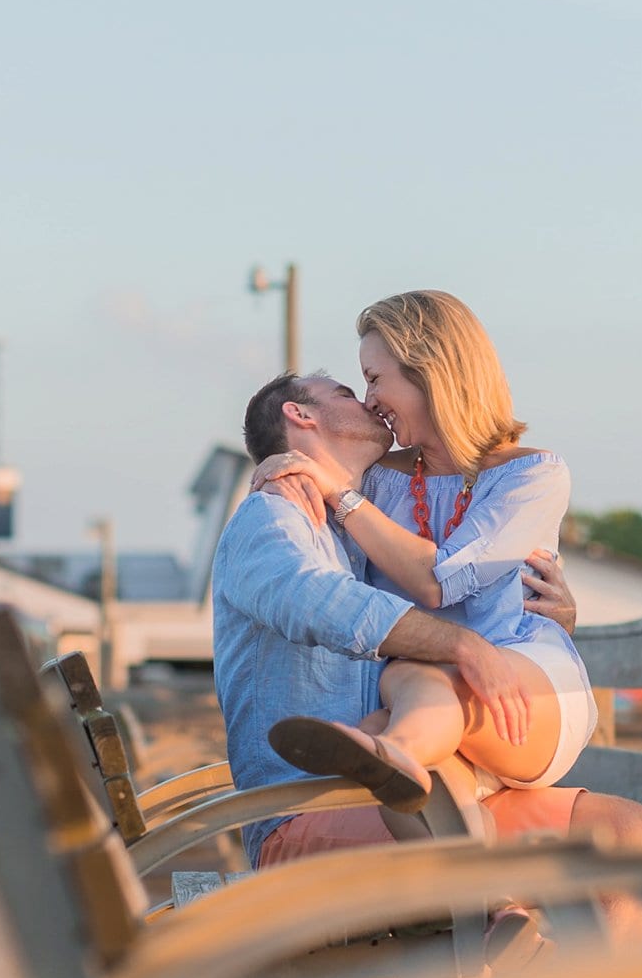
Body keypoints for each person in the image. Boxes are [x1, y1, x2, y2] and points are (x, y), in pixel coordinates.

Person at [213, 372, 642, 912]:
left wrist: (543, 619)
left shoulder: (364, 519)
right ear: (300, 416)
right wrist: (461, 646)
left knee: (625, 832)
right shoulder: (272, 513)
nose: (370, 400)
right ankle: (500, 932)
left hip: (434, 796)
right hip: (311, 814)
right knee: (471, 834)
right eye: (348, 393)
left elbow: (460, 583)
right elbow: (310, 599)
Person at [251, 291, 596, 819]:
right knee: (404, 694)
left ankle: (392, 753)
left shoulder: (534, 475)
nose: (369, 401)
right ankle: (497, 900)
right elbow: (312, 451)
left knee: (416, 685)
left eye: (373, 378)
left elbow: (441, 582)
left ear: (428, 369)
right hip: (415, 696)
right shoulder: (378, 480)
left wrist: (339, 494)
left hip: (520, 680)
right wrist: (283, 460)